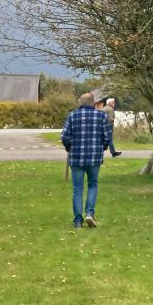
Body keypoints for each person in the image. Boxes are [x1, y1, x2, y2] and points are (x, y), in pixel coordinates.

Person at [60, 92, 112, 229]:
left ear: (81, 103)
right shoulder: (101, 116)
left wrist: (69, 147)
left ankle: (77, 221)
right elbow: (107, 137)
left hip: (76, 158)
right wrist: (102, 148)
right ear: (93, 103)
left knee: (77, 189)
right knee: (92, 185)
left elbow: (64, 136)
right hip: (94, 157)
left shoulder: (72, 116)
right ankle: (90, 213)